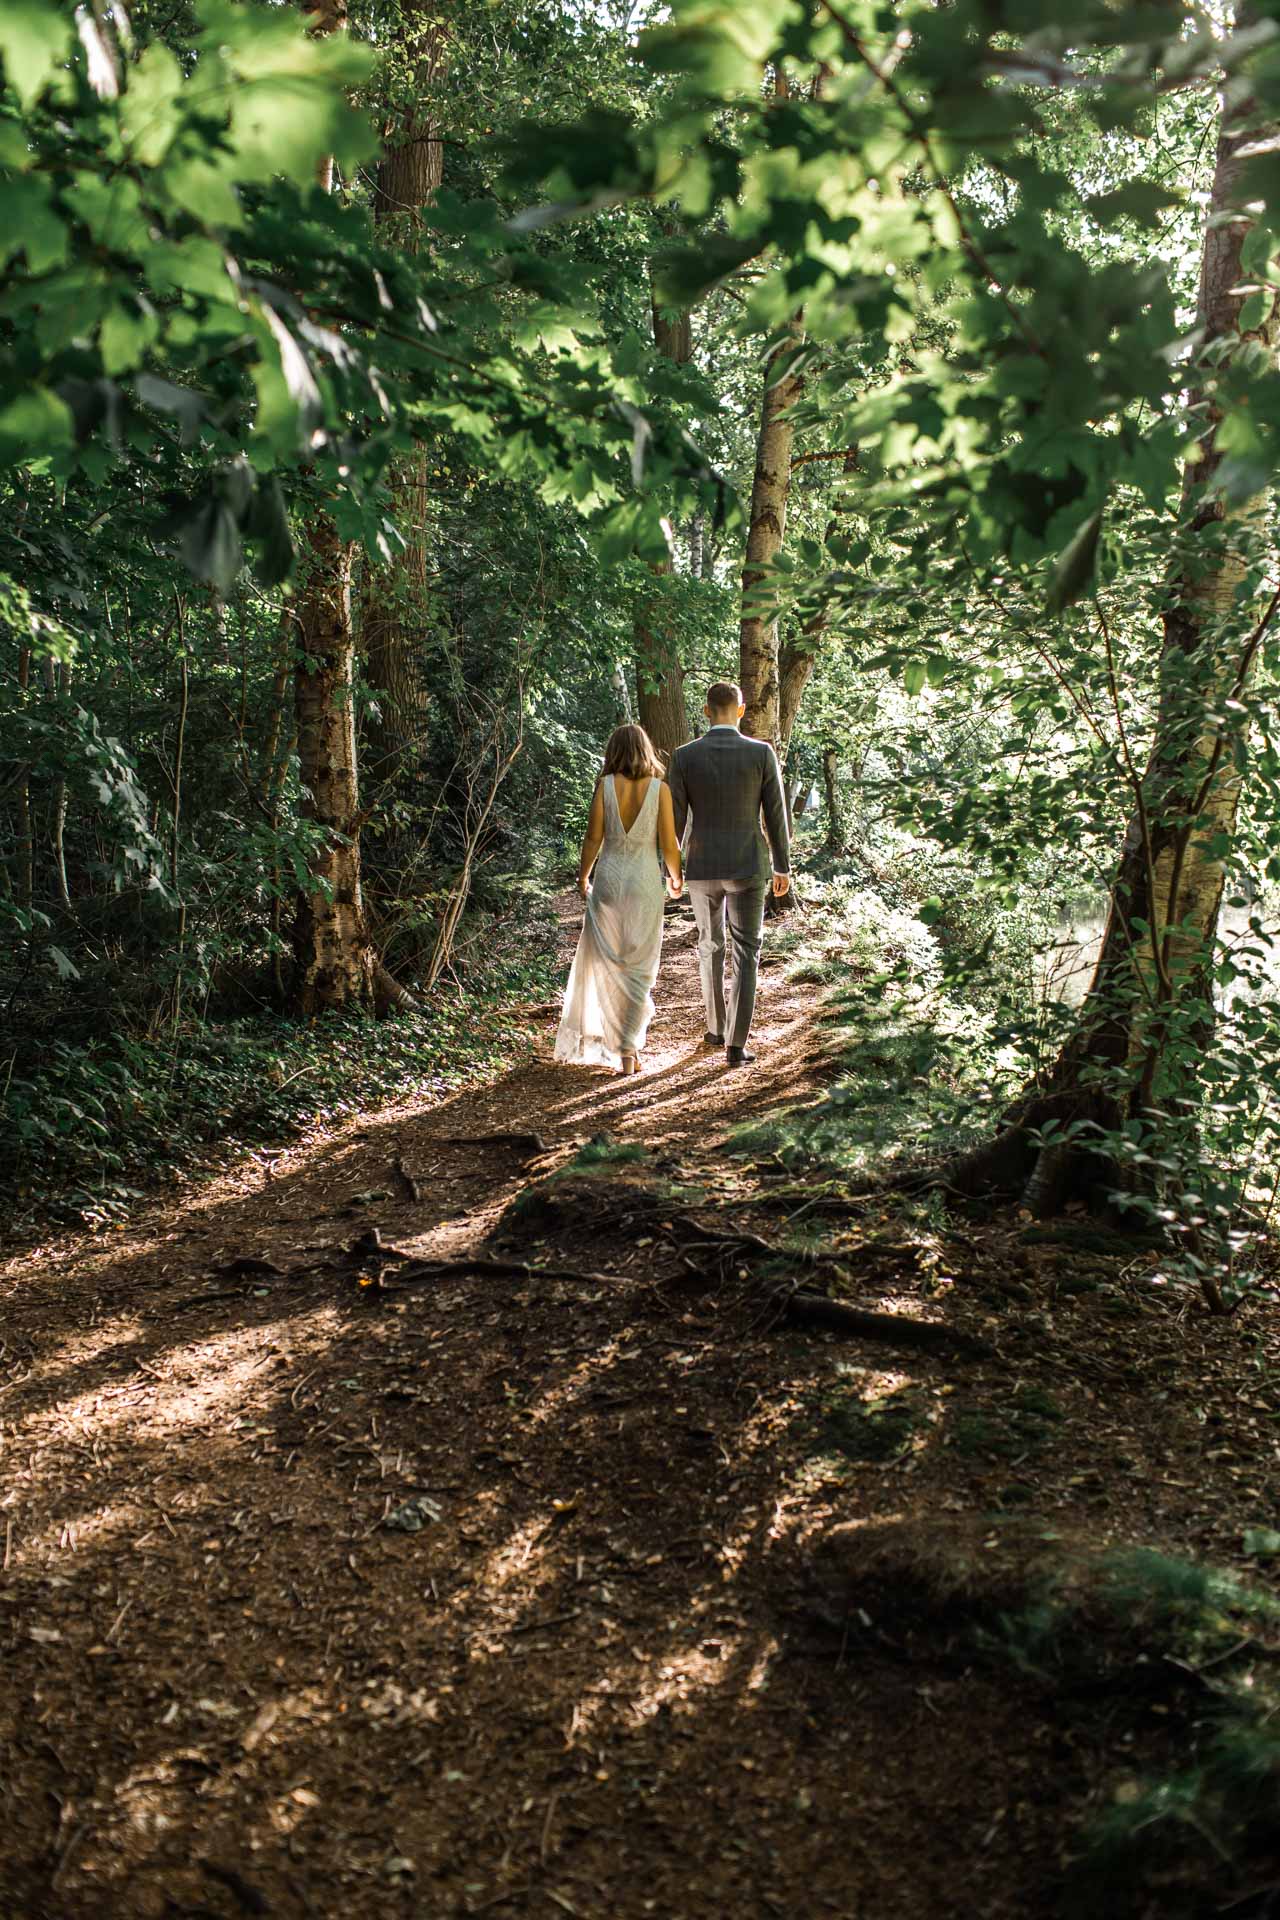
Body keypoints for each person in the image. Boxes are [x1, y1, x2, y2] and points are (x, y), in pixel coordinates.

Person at [667, 681, 790, 1067]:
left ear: (706, 711)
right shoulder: (760, 753)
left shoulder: (685, 756)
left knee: (710, 946)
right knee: (747, 952)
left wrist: (671, 870)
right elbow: (775, 814)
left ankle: (715, 1027)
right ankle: (736, 1045)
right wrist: (782, 865)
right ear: (740, 710)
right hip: (747, 864)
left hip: (701, 866)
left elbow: (675, 819)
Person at [554, 723, 683, 1076]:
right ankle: (628, 1051)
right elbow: (668, 844)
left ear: (613, 751)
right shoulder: (660, 790)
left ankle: (621, 1047)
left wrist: (583, 875)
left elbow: (593, 837)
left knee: (610, 965)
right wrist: (676, 876)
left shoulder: (605, 786)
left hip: (609, 881)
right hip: (643, 885)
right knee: (639, 969)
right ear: (646, 751)